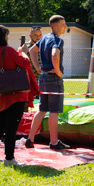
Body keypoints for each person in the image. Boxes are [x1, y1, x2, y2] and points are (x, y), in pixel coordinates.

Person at [0, 25, 32, 165]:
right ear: (3, 37)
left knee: (0, 127)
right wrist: (23, 52)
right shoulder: (9, 50)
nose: (8, 38)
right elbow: (25, 63)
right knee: (11, 129)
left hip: (0, 94)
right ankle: (9, 159)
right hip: (14, 95)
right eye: (6, 35)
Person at [26, 16, 70, 150]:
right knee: (54, 111)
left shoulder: (44, 38)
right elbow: (55, 54)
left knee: (42, 109)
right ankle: (54, 142)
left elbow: (32, 50)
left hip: (43, 78)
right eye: (63, 24)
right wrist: (58, 72)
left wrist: (38, 67)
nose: (65, 26)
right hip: (53, 78)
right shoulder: (57, 40)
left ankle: (30, 139)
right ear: (55, 27)